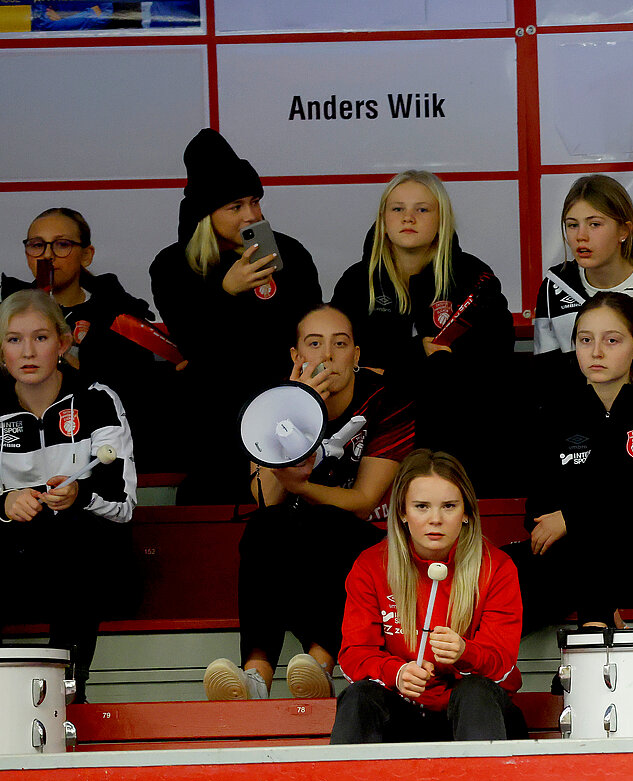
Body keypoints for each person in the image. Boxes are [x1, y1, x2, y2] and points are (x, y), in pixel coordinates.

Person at [203, 305, 415, 701]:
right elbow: (264, 495)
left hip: (366, 538)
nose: (327, 356)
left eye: (340, 344)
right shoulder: (275, 402)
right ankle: (255, 676)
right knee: (263, 529)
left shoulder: (387, 398)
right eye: (313, 344)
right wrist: (295, 408)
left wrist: (302, 487)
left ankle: (320, 665)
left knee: (328, 525)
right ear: (295, 357)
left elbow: (363, 501)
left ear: (356, 354)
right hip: (294, 537)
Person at [149, 128, 321, 502]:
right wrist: (225, 291)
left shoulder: (289, 254)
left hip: (285, 409)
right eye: (235, 206)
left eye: (255, 202)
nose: (251, 215)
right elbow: (195, 344)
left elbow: (309, 330)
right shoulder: (172, 266)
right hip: (215, 418)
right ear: (205, 213)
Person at [510, 291, 633, 630]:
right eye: (585, 340)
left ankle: (591, 644)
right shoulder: (554, 412)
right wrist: (580, 519)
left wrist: (574, 517)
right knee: (502, 570)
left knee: (596, 555)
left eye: (611, 340)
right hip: (571, 558)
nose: (596, 352)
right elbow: (540, 513)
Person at [328, 170, 511, 488]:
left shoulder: (473, 278)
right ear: (383, 218)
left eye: (422, 209)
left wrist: (392, 369)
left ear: (442, 219)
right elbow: (344, 366)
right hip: (373, 437)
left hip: (458, 436)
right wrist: (417, 355)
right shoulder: (356, 282)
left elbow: (489, 367)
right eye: (397, 209)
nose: (408, 217)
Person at [0, 289, 138, 702]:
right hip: (18, 560)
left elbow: (125, 504)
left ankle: (68, 689)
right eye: (13, 339)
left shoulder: (97, 401)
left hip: (89, 561)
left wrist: (80, 494)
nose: (27, 351)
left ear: (62, 344)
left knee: (74, 533)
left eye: (40, 338)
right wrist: (4, 503)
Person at [331, 449, 522, 743]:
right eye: (421, 506)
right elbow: (354, 654)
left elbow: (503, 665)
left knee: (475, 693)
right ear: (402, 513)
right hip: (403, 715)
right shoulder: (371, 566)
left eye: (448, 506)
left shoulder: (496, 568)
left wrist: (465, 653)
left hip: (474, 713)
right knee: (359, 697)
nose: (435, 519)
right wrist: (397, 672)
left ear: (467, 512)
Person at [2, 208, 177, 470]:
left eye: (62, 245)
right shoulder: (7, 315)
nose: (48, 255)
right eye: (37, 245)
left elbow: (142, 397)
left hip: (102, 453)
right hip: (23, 459)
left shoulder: (119, 317)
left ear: (87, 254)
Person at [532, 174, 633, 397]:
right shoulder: (554, 286)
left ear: (624, 231)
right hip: (575, 418)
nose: (581, 236)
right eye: (572, 225)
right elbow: (546, 376)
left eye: (595, 224)